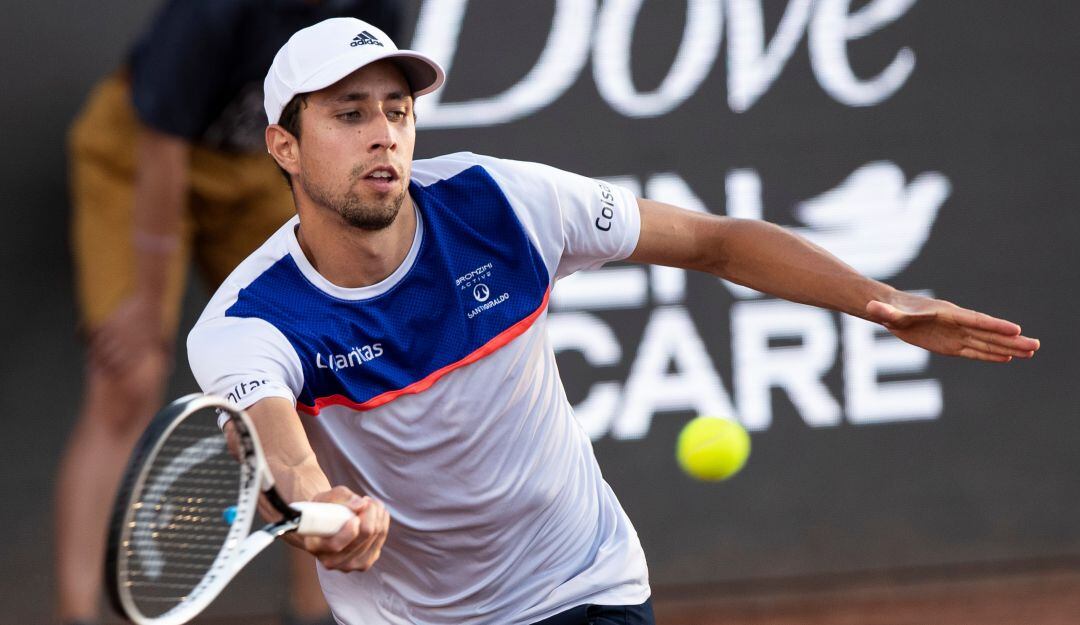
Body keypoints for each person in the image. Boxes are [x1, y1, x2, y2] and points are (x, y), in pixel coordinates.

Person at [186, 17, 1041, 625]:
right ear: (284, 146)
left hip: (583, 587)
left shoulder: (505, 202)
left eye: (396, 110)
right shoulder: (248, 319)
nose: (384, 134)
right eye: (349, 114)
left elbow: (715, 242)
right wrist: (324, 507)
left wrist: (877, 301)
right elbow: (281, 451)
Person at [55, 3, 403, 625]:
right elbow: (162, 145)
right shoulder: (214, 11)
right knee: (128, 377)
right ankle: (78, 615)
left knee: (310, 373)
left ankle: (316, 612)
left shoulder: (376, 6)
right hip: (139, 155)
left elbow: (364, 112)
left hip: (255, 165)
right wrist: (145, 307)